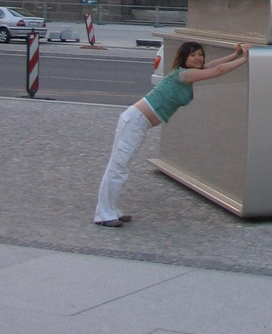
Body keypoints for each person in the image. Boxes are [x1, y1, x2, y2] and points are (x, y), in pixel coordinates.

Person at [94, 40, 248, 226]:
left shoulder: (188, 73)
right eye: (193, 55)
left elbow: (214, 65)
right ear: (184, 58)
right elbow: (217, 71)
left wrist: (236, 55)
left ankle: (110, 209)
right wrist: (245, 59)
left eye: (200, 54)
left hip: (138, 122)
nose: (198, 58)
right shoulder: (184, 74)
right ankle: (103, 214)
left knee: (121, 166)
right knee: (118, 166)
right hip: (135, 121)